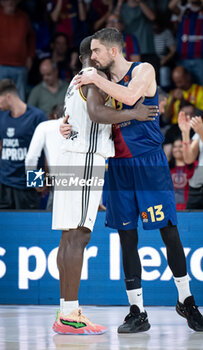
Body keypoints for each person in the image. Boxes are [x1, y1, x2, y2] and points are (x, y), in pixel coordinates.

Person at [75, 28, 203, 333]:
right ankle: (137, 311)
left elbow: (133, 96)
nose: (91, 58)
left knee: (168, 232)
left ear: (112, 51)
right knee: (127, 237)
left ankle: (186, 300)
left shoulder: (142, 70)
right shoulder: (100, 80)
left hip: (149, 162)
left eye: (95, 52)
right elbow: (93, 114)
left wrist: (97, 80)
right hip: (118, 166)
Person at [52, 35, 157, 335]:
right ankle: (70, 314)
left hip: (70, 156)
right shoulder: (93, 77)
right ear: (92, 56)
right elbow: (97, 113)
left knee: (68, 237)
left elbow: (72, 118)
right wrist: (132, 113)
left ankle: (66, 310)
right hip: (86, 157)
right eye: (97, 52)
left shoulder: (75, 82)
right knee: (79, 236)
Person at [0, 79, 47, 209]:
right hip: (4, 183)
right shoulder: (2, 116)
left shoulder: (37, 116)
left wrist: (39, 181)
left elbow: (44, 152)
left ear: (8, 96)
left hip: (27, 185)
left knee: (28, 226)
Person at [168, 0, 203, 91]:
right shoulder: (183, 10)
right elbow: (171, 6)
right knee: (184, 89)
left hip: (202, 58)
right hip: (184, 58)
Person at [25, 104, 65, 211]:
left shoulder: (45, 126)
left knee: (54, 223)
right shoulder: (84, 126)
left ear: (54, 116)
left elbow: (31, 157)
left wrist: (36, 182)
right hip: (84, 181)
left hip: (59, 183)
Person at [0, 0, 35, 101]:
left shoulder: (23, 17)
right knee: (1, 99)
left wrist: (30, 56)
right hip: (1, 65)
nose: (11, 2)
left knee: (19, 98)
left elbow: (31, 37)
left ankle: (19, 118)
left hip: (20, 65)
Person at [169, 138, 196, 210]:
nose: (177, 149)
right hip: (171, 208)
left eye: (180, 146)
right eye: (175, 146)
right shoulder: (167, 167)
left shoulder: (194, 166)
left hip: (189, 207)